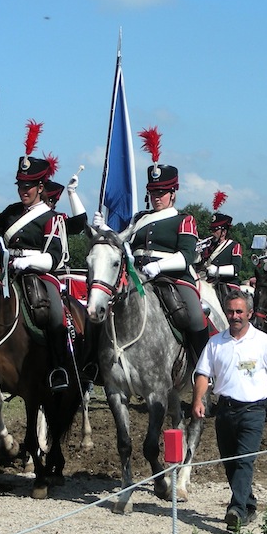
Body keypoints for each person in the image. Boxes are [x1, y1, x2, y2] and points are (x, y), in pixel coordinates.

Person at [93, 126, 209, 362]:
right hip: (136, 276)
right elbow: (120, 239)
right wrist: (103, 228)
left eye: (162, 192)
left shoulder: (184, 219)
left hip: (172, 277)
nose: (157, 197)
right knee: (101, 307)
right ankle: (95, 365)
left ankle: (204, 366)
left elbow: (186, 255)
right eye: (154, 192)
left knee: (195, 316)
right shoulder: (139, 219)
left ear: (173, 193)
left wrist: (159, 266)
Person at [0, 120, 71, 391]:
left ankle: (59, 368)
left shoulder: (52, 218)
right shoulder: (11, 212)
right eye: (20, 185)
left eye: (29, 185)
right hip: (4, 272)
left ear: (41, 187)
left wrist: (25, 261)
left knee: (54, 314)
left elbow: (52, 258)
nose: (23, 190)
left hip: (38, 274)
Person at [191, 290, 267, 531]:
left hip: (254, 411)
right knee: (230, 462)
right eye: (231, 311)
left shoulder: (262, 341)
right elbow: (203, 373)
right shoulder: (215, 342)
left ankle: (236, 509)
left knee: (245, 460)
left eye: (239, 311)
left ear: (250, 314)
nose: (234, 316)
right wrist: (198, 400)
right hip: (225, 410)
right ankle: (249, 503)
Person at [197, 191, 242, 293]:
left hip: (225, 285)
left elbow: (236, 270)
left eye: (215, 230)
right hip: (208, 283)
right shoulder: (208, 246)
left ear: (224, 231)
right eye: (211, 230)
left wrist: (217, 270)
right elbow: (200, 265)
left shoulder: (234, 246)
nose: (212, 233)